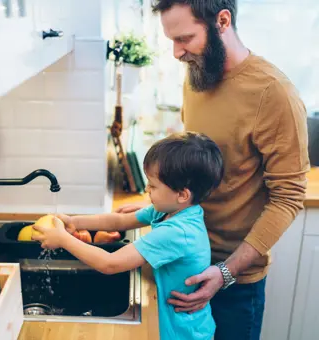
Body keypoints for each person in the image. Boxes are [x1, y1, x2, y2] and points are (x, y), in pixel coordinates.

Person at [116, 1, 310, 339]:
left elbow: (289, 197)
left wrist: (226, 272)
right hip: (184, 262)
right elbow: (195, 169)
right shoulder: (196, 76)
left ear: (222, 21)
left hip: (233, 282)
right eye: (171, 40)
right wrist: (157, 209)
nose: (177, 53)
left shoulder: (273, 93)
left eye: (185, 38)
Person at [32, 132, 224, 340]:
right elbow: (119, 221)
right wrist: (74, 221)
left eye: (153, 185)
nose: (147, 190)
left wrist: (62, 240)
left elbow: (110, 264)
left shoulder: (177, 232)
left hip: (182, 333)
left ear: (182, 194)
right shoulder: (171, 210)